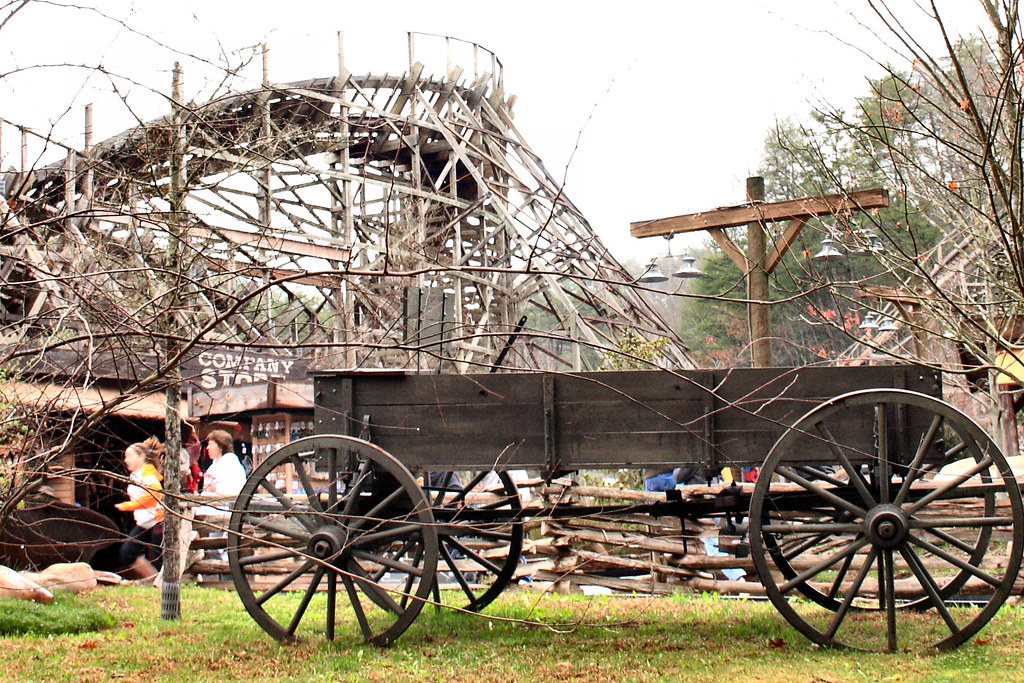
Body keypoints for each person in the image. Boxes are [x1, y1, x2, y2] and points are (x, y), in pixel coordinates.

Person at [115, 436, 164, 580]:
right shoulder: (135, 475)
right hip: (144, 523)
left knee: (158, 559)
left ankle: (160, 585)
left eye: (128, 456)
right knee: (128, 552)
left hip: (157, 521)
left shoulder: (146, 473)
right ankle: (155, 580)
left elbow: (156, 492)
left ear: (141, 456)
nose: (126, 460)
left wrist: (130, 505)